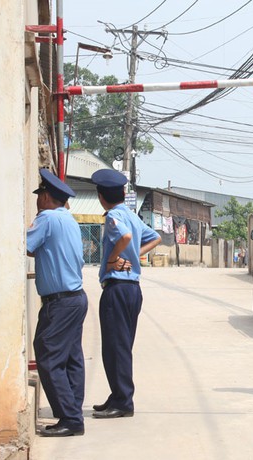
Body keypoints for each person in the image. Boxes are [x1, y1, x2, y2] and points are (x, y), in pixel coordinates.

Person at [90, 169, 161, 418]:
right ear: (122, 193)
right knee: (122, 345)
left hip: (117, 287)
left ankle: (122, 401)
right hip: (133, 289)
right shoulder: (131, 215)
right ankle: (118, 395)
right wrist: (133, 255)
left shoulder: (113, 217)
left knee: (115, 346)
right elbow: (156, 238)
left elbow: (126, 236)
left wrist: (113, 259)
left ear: (101, 197)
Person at [27, 168, 88, 436]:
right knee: (71, 357)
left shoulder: (47, 218)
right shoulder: (69, 219)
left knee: (48, 355)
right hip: (75, 298)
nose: (37, 202)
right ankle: (72, 409)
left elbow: (24, 246)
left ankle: (71, 419)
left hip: (60, 302)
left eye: (39, 196)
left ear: (46, 197)